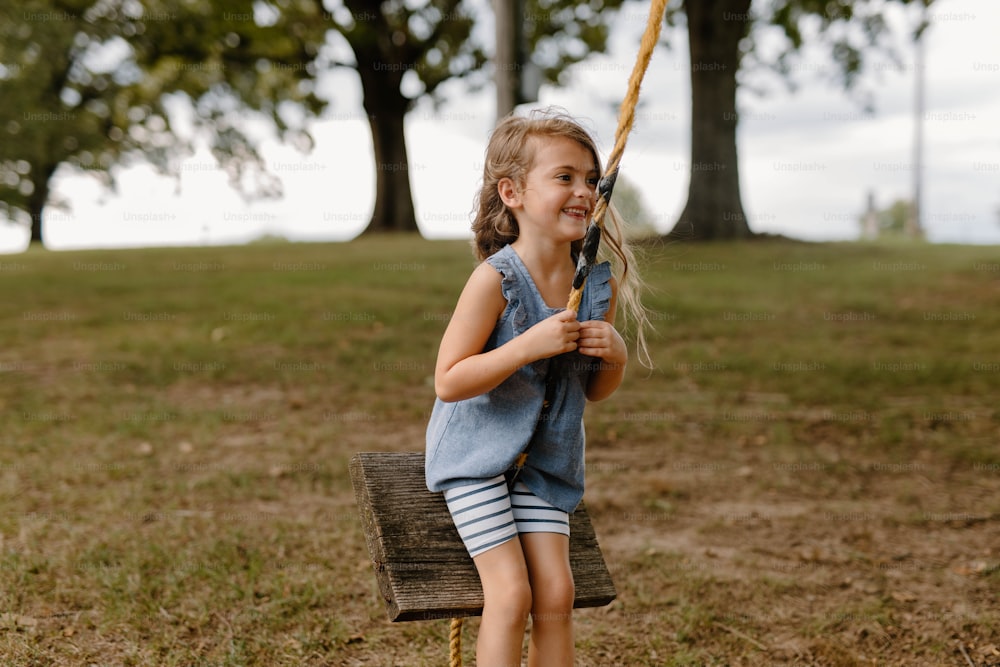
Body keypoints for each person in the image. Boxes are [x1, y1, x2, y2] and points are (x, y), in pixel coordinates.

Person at [425, 108, 649, 667]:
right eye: (565, 176)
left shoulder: (597, 284)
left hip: (547, 463)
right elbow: (449, 381)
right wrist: (526, 345)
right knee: (512, 593)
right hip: (475, 459)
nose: (583, 191)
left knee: (556, 594)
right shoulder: (495, 279)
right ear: (513, 192)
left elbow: (594, 393)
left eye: (592, 180)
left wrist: (615, 356)